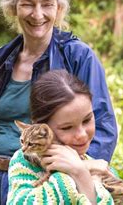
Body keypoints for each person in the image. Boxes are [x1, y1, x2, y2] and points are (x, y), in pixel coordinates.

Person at [0, 0, 118, 204]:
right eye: (28, 4)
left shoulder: (78, 57)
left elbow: (101, 124)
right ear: (13, 7)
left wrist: (85, 177)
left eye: (47, 4)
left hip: (43, 183)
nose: (37, 14)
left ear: (59, 8)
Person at [7, 70, 114, 205]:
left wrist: (80, 173)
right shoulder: (24, 162)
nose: (81, 135)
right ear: (41, 127)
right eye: (66, 127)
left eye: (87, 120)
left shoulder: (100, 167)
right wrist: (76, 171)